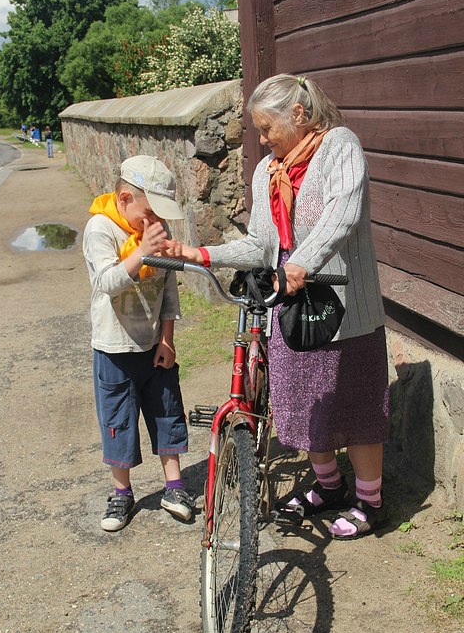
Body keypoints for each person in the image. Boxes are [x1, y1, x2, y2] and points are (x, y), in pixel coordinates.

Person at [165, 74, 389, 539]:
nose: (263, 139)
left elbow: (342, 215)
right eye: (259, 131)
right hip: (287, 304)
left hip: (343, 305)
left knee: (357, 405)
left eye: (267, 128)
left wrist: (300, 264)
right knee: (305, 404)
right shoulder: (268, 170)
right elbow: (261, 245)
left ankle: (371, 501)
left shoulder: (340, 146)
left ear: (299, 114)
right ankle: (329, 487)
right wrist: (199, 254)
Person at [83, 155, 194, 532]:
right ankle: (121, 492)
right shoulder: (101, 229)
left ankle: (174, 486)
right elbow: (107, 282)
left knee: (167, 412)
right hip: (113, 351)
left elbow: (168, 292)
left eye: (159, 217)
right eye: (149, 213)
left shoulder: (151, 231)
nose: (155, 223)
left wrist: (167, 339)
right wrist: (142, 251)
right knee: (118, 422)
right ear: (126, 198)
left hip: (152, 347)